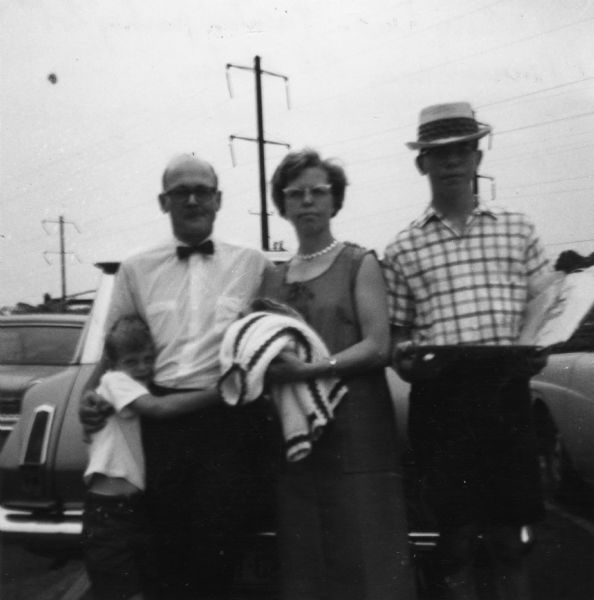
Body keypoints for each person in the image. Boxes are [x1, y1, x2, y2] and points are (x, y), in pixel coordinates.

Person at [80, 153, 272, 599]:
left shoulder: (254, 264)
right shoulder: (135, 268)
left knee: (220, 550)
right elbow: (114, 349)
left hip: (227, 420)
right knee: (164, 552)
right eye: (180, 192)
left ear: (218, 199)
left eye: (202, 190)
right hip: (160, 423)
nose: (192, 199)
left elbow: (273, 332)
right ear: (163, 202)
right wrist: (87, 397)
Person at [382, 102, 553, 600]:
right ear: (422, 164)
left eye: (461, 150)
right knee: (454, 542)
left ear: (478, 157)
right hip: (443, 403)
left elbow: (545, 305)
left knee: (511, 540)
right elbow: (397, 337)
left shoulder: (518, 227)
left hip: (506, 396)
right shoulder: (402, 247)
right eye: (439, 153)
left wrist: (538, 347)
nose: (451, 162)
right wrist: (405, 359)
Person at [258, 148, 416, 600]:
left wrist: (310, 369)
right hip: (298, 432)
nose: (307, 201)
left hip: (358, 429)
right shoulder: (274, 277)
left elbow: (377, 345)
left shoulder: (359, 262)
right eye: (296, 194)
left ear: (335, 200)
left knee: (367, 548)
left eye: (318, 192)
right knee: (308, 552)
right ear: (282, 204)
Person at [83, 315, 220, 600]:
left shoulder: (128, 389)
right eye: (131, 361)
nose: (143, 368)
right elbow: (159, 408)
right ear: (112, 363)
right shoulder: (114, 381)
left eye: (148, 359)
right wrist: (220, 393)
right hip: (109, 515)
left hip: (132, 511)